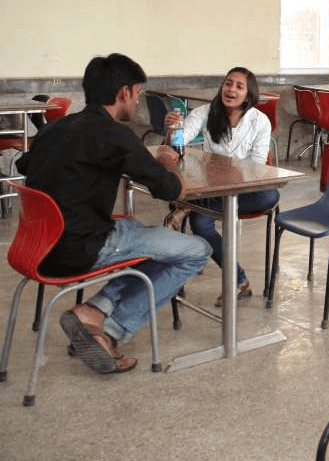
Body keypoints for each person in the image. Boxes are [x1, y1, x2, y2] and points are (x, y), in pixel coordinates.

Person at [15, 53, 212, 374]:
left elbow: (25, 164)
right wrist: (167, 163)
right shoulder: (115, 135)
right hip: (81, 247)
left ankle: (97, 308)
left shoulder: (55, 128)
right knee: (196, 250)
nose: (137, 101)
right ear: (124, 92)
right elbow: (169, 190)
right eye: (138, 93)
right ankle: (111, 329)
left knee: (146, 235)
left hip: (36, 247)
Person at [163, 67, 277, 307]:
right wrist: (174, 129)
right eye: (228, 83)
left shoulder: (260, 121)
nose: (231, 89)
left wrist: (230, 178)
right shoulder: (205, 113)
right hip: (213, 189)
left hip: (245, 189)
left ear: (248, 94)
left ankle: (188, 205)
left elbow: (257, 167)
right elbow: (178, 144)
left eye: (239, 86)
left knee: (269, 196)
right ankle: (240, 281)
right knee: (199, 223)